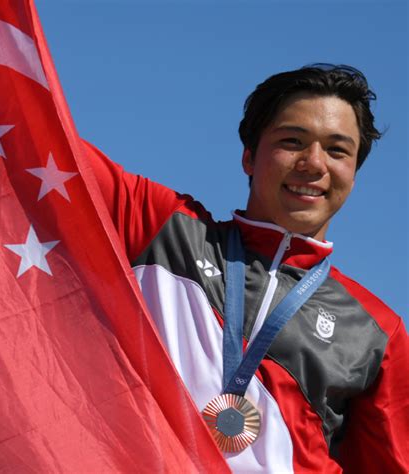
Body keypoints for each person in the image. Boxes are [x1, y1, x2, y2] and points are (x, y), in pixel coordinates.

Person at [84, 64, 408, 473]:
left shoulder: (378, 331)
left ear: (354, 174)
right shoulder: (163, 228)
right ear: (249, 157)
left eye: (337, 150)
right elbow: (33, 129)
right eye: (292, 141)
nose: (313, 163)